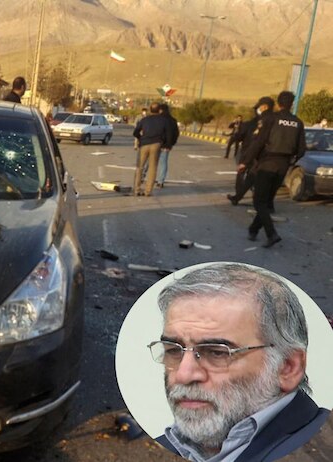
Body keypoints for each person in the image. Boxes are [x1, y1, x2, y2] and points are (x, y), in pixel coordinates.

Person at [150, 263, 330, 462]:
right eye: (173, 350)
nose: (183, 374)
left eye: (217, 353)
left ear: (288, 367)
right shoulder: (165, 445)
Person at [239, 91, 306, 248]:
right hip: (283, 166)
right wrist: (291, 160)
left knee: (259, 201)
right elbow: (302, 149)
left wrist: (245, 162)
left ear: (278, 103)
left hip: (267, 163)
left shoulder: (271, 118)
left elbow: (259, 142)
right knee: (266, 201)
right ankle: (253, 229)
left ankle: (271, 234)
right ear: (292, 104)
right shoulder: (298, 122)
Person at [226, 98, 274, 206]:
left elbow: (241, 137)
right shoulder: (273, 121)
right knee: (254, 176)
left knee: (242, 173)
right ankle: (245, 196)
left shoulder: (251, 123)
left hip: (248, 153)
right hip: (262, 155)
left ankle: (239, 195)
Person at [132, 102, 171, 196]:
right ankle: (148, 191)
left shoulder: (145, 120)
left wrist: (141, 138)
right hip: (156, 145)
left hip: (144, 144)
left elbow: (135, 132)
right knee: (153, 168)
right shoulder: (164, 121)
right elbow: (168, 134)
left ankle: (137, 189)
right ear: (159, 110)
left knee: (139, 167)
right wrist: (166, 145)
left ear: (150, 110)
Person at [155, 103, 180, 188]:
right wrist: (171, 143)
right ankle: (161, 181)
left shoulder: (158, 118)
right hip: (166, 145)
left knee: (150, 161)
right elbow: (176, 133)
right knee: (163, 163)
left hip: (155, 143)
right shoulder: (172, 120)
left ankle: (143, 177)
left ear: (160, 110)